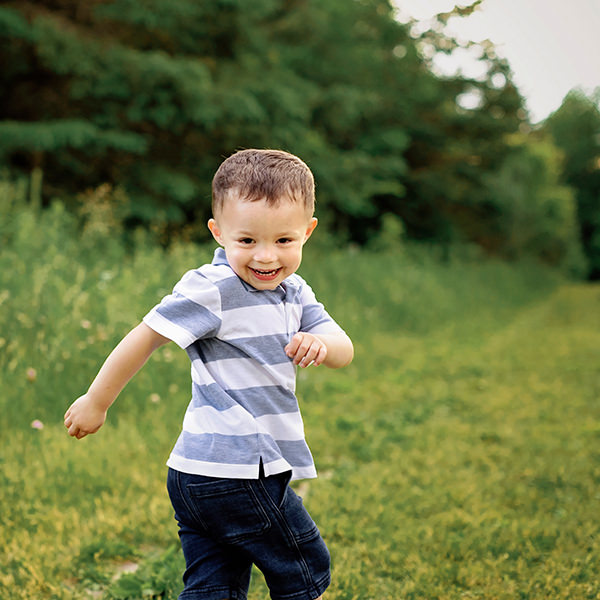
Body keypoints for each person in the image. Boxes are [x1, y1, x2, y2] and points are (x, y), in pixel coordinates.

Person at [64, 149, 354, 600]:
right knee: (304, 566)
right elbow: (146, 335)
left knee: (214, 584)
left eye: (283, 241)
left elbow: (343, 348)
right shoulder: (214, 288)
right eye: (246, 241)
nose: (264, 257)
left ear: (307, 232)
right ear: (218, 233)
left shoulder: (295, 291)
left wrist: (322, 344)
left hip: (196, 475)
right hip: (238, 470)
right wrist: (96, 402)